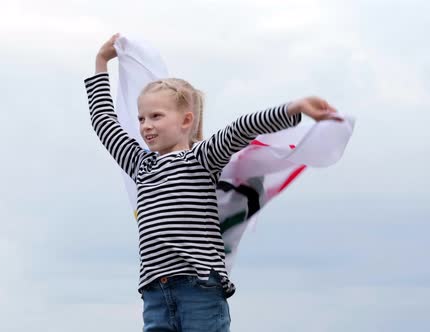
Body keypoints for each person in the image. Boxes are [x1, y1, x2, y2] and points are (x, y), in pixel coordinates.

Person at [85, 33, 341, 332]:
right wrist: (100, 63)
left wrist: (294, 108)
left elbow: (240, 129)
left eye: (156, 116)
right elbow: (104, 122)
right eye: (141, 118)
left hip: (200, 289)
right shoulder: (140, 164)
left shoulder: (201, 159)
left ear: (185, 120)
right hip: (155, 293)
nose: (146, 126)